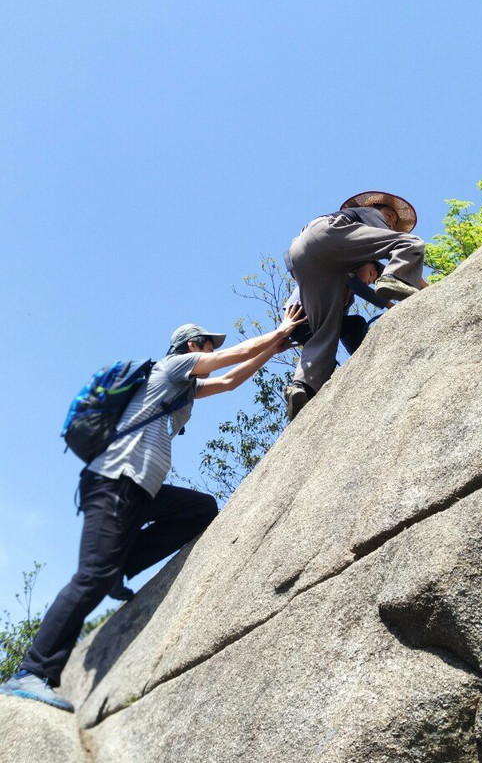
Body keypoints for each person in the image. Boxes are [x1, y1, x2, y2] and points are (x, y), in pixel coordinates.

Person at [0, 303, 305, 712]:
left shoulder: (185, 389)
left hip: (142, 491)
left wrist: (273, 347)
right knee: (90, 578)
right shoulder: (171, 367)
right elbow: (230, 358)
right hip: (114, 482)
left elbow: (231, 379)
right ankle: (31, 671)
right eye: (208, 344)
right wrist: (280, 330)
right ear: (192, 346)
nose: (212, 350)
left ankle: (121, 566)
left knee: (200, 510)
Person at [284, 191, 426, 420]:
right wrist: (410, 293)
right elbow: (387, 247)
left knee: (325, 332)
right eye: (390, 218)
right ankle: (395, 279)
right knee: (410, 243)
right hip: (324, 234)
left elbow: (360, 279)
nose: (390, 224)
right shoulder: (369, 214)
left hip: (299, 258)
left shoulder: (347, 274)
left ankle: (303, 388)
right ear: (383, 211)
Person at [286, 259, 388, 359]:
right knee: (357, 322)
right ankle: (363, 357)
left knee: (353, 326)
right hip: (301, 318)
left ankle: (362, 358)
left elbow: (343, 326)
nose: (367, 282)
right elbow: (360, 288)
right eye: (370, 274)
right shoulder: (343, 270)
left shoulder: (347, 298)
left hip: (313, 327)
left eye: (370, 282)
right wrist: (391, 305)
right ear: (362, 263)